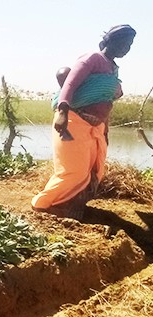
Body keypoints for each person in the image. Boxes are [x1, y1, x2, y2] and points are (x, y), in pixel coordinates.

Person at [32, 24, 136, 219]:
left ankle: (68, 207)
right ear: (111, 40)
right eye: (124, 42)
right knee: (74, 172)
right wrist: (62, 112)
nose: (126, 48)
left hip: (95, 127)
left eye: (130, 45)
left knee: (93, 171)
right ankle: (43, 204)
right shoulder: (92, 58)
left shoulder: (113, 68)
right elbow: (70, 83)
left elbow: (105, 101)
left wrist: (105, 129)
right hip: (74, 120)